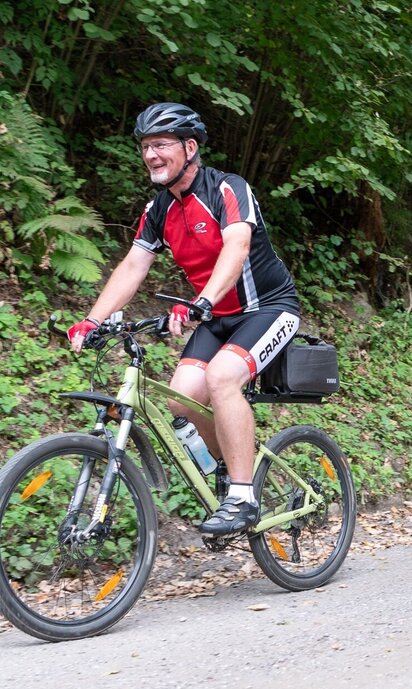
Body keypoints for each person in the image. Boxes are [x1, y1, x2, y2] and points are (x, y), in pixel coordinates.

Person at [67, 102, 301, 537]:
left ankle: (243, 497)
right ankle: (232, 474)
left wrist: (202, 300)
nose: (151, 155)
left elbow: (237, 248)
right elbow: (134, 265)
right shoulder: (159, 209)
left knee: (223, 378)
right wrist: (92, 320)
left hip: (268, 307)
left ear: (190, 147)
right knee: (180, 400)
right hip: (217, 316)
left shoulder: (227, 188)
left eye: (161, 144)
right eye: (145, 147)